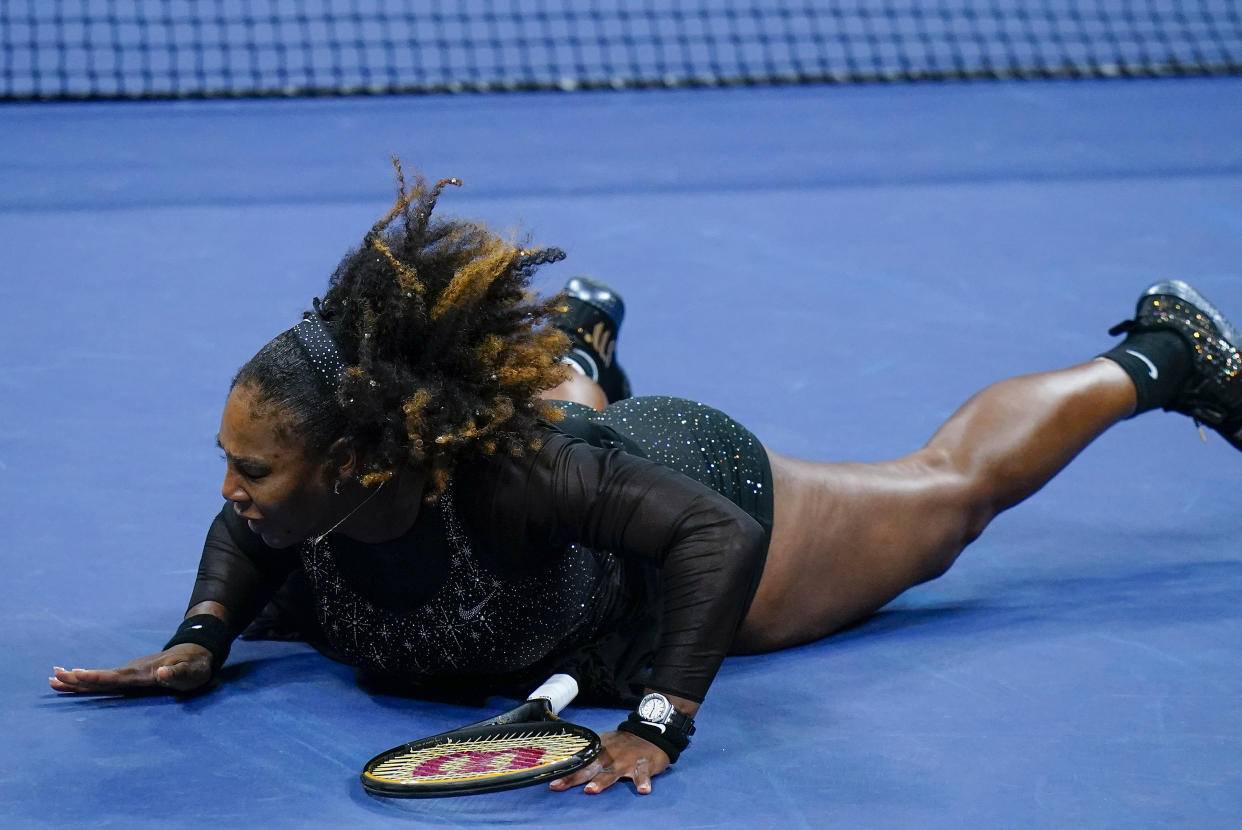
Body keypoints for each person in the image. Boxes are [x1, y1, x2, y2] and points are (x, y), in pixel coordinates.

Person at [50, 167, 1241, 796]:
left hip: (676, 494)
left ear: (357, 461)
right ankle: (574, 343)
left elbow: (712, 538)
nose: (226, 483)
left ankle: (1164, 351)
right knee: (529, 422)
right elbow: (248, 542)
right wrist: (200, 634)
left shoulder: (513, 486)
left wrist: (658, 721)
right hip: (547, 491)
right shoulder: (313, 502)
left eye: (250, 462)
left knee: (941, 498)